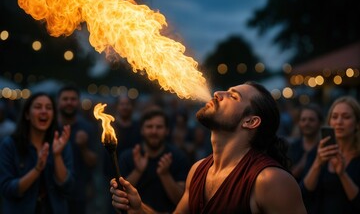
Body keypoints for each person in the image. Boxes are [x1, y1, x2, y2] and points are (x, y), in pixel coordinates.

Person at [110, 81, 307, 213]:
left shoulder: (269, 179)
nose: (217, 94)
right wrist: (138, 209)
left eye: (233, 96)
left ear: (250, 121)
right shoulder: (198, 170)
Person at [0, 92, 74, 214]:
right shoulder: (10, 145)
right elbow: (8, 190)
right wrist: (37, 170)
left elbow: (67, 187)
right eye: (38, 107)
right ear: (27, 114)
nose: (44, 111)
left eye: (49, 108)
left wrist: (57, 155)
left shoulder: (61, 143)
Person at [118, 107, 190, 213]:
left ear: (167, 131)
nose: (154, 131)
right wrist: (138, 171)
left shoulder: (178, 157)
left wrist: (165, 175)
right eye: (149, 126)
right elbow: (120, 196)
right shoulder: (127, 157)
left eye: (159, 127)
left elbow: (181, 200)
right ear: (142, 130)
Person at [301, 96, 360, 214]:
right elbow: (303, 194)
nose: (339, 122)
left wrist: (342, 174)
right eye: (334, 117)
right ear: (329, 122)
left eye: (346, 117)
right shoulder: (318, 152)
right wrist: (317, 164)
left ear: (357, 123)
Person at [57, 84, 99, 214]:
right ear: (58, 102)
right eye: (65, 99)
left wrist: (84, 147)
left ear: (78, 102)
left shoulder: (88, 128)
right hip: (53, 190)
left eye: (73, 99)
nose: (69, 102)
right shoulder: (49, 126)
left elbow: (94, 161)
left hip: (79, 191)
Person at [288, 103, 324, 181]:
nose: (306, 123)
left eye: (311, 120)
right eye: (303, 120)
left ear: (320, 122)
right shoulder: (292, 147)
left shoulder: (325, 148)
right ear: (299, 123)